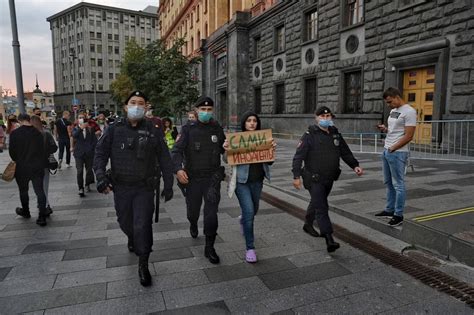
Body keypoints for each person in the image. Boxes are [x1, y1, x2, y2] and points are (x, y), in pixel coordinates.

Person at [94, 90, 174, 287]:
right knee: (125, 222)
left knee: (142, 225)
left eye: (141, 103)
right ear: (125, 106)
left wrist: (169, 184)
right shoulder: (113, 129)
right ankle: (131, 237)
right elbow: (100, 153)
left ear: (146, 107)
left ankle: (143, 262)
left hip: (144, 188)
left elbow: (164, 157)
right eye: (133, 102)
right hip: (121, 187)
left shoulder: (154, 130)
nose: (137, 106)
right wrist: (100, 176)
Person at [292, 106, 364, 253]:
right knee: (322, 207)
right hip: (313, 178)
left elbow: (345, 151)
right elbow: (298, 157)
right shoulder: (309, 135)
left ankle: (307, 223)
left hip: (329, 177)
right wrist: (296, 176)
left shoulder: (335, 134)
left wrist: (355, 165)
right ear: (316, 118)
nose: (326, 119)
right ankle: (329, 238)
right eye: (323, 117)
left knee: (317, 202)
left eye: (328, 116)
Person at [172, 96, 226, 264]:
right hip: (193, 179)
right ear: (196, 111)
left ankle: (209, 247)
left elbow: (226, 147)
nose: (206, 112)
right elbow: (176, 151)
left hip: (212, 178)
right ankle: (193, 223)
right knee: (193, 211)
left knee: (211, 214)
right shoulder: (188, 129)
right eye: (203, 110)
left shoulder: (216, 128)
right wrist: (178, 169)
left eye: (209, 110)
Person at [223, 111, 276, 263]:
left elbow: (270, 162)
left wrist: (272, 149)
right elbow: (227, 160)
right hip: (241, 182)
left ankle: (243, 220)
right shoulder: (237, 139)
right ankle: (250, 248)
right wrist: (227, 150)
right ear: (244, 124)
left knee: (253, 211)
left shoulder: (263, 138)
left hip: (257, 181)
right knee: (250, 211)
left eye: (254, 120)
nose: (252, 123)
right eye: (248, 121)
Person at [375, 87, 416, 226]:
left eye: (390, 102)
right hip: (387, 149)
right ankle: (389, 209)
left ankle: (398, 215)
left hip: (398, 152)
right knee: (388, 182)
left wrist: (394, 147)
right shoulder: (393, 111)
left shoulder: (409, 111)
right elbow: (394, 130)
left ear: (397, 97)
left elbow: (409, 135)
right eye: (387, 103)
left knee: (398, 184)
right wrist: (385, 129)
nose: (389, 105)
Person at [9, 114, 48, 226]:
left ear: (20, 121)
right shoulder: (38, 133)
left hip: (22, 167)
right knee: (39, 191)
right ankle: (42, 216)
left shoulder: (15, 134)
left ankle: (26, 211)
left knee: (23, 190)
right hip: (37, 166)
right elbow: (42, 151)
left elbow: (12, 153)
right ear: (29, 120)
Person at [31, 115, 57, 215]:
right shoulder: (46, 134)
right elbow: (54, 147)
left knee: (37, 188)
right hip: (45, 164)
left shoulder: (29, 135)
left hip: (33, 165)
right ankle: (45, 205)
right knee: (44, 186)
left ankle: (44, 205)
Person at [72, 113, 98, 197]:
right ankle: (80, 188)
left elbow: (94, 141)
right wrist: (80, 128)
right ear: (77, 119)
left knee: (89, 170)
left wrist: (92, 149)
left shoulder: (90, 129)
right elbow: (74, 135)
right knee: (79, 171)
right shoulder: (75, 128)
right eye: (80, 117)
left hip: (89, 153)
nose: (81, 119)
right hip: (79, 153)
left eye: (83, 117)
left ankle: (87, 184)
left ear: (85, 119)